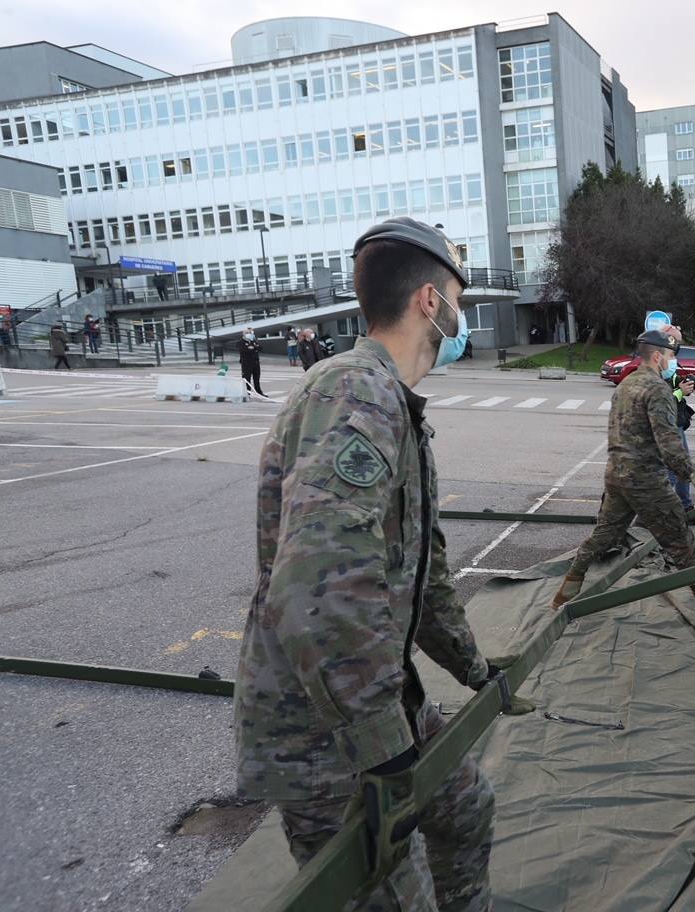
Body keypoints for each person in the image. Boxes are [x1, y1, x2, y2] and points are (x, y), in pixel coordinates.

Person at [234, 217, 499, 911]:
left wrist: (476, 669)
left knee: (465, 805)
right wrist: (385, 748)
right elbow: (314, 590)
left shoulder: (393, 403)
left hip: (377, 701)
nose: (461, 319)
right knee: (386, 890)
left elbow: (425, 575)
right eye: (459, 302)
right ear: (430, 303)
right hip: (323, 733)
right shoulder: (354, 393)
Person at [550, 330, 695, 622]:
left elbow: (616, 433)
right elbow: (669, 443)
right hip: (645, 478)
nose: (673, 362)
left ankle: (566, 590)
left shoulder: (626, 385)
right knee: (680, 538)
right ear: (657, 356)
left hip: (617, 473)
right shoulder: (657, 389)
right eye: (670, 356)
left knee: (605, 534)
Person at [662, 326, 695, 526]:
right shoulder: (653, 371)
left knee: (682, 470)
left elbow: (673, 389)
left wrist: (687, 386)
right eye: (676, 345)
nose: (678, 350)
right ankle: (662, 513)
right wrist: (680, 392)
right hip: (665, 428)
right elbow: (659, 403)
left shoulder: (669, 368)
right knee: (671, 473)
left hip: (676, 425)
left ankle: (686, 509)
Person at [237, 326, 263, 395]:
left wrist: (253, 347)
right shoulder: (241, 342)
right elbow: (245, 350)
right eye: (247, 333)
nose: (249, 334)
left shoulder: (254, 341)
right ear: (244, 334)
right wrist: (254, 348)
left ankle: (259, 392)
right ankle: (247, 393)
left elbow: (260, 347)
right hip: (246, 363)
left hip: (255, 362)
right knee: (246, 379)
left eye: (251, 332)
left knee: (256, 379)